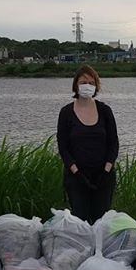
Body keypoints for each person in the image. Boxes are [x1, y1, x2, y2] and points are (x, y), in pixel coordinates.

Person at [56, 64, 119, 223]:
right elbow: (63, 147)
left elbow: (113, 143)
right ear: (76, 85)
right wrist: (77, 172)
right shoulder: (66, 113)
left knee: (101, 221)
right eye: (83, 82)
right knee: (80, 220)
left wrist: (106, 171)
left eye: (91, 83)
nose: (87, 86)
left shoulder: (105, 110)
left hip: (103, 176)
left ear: (96, 86)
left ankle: (100, 248)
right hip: (76, 177)